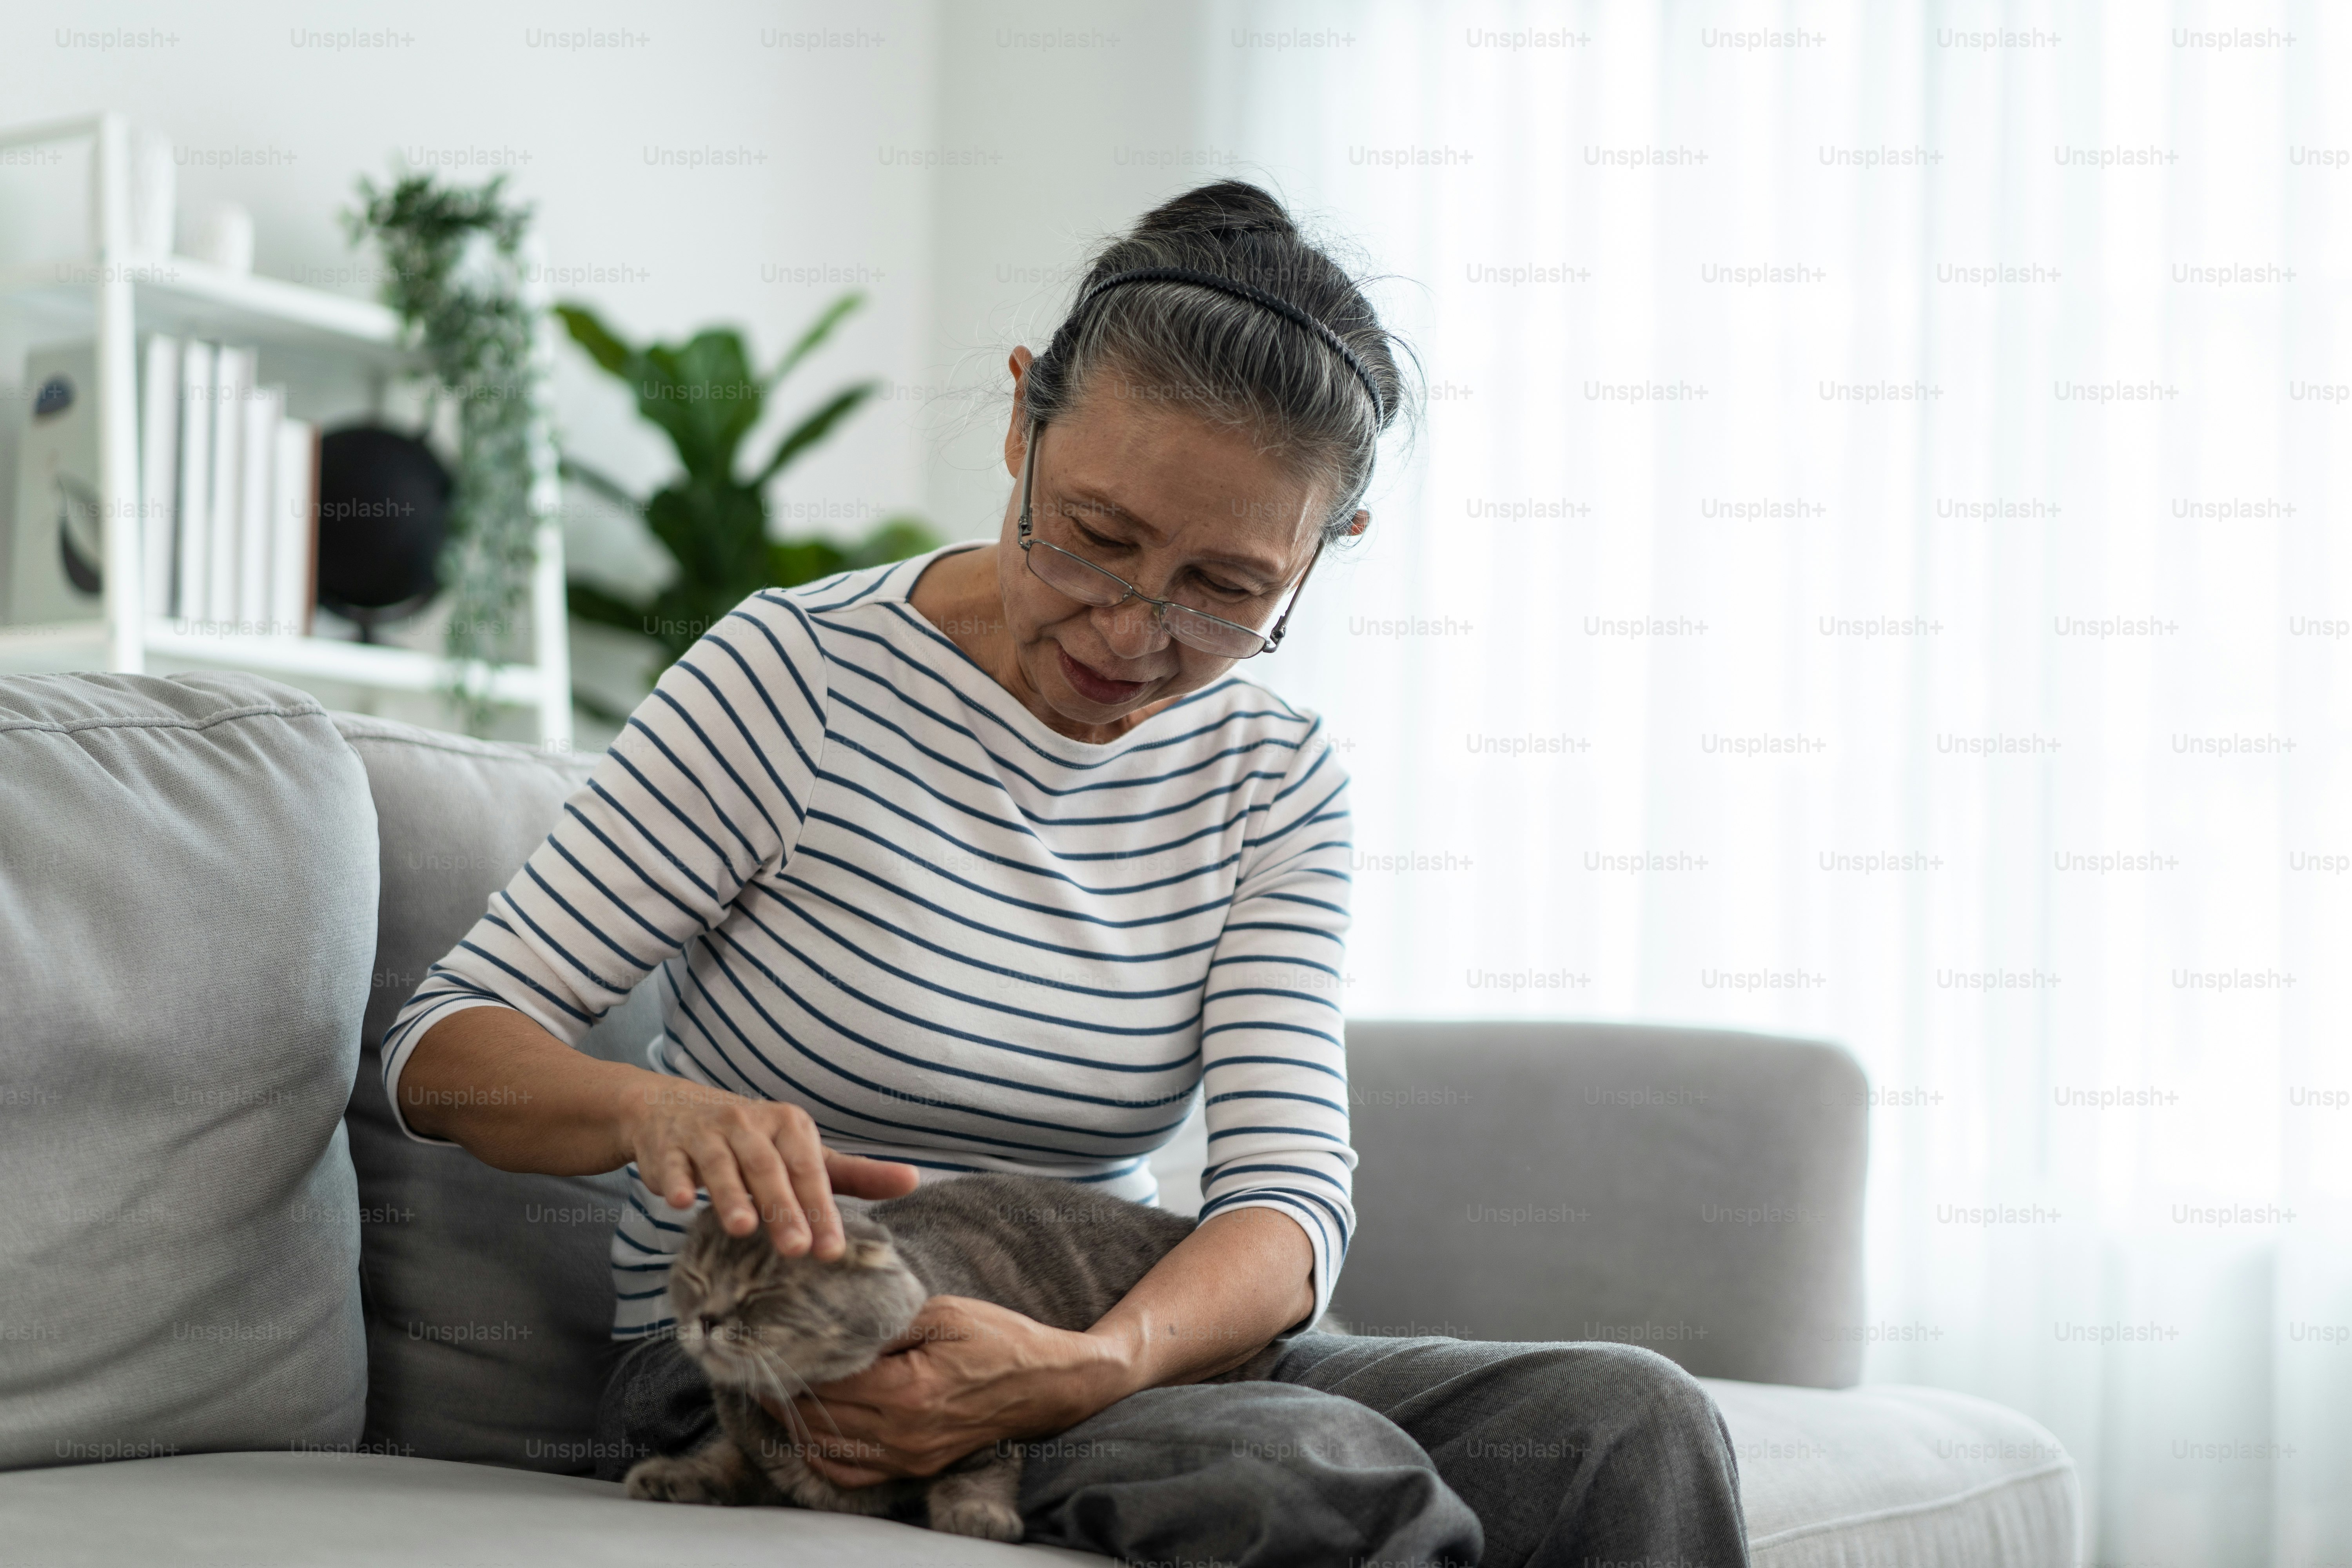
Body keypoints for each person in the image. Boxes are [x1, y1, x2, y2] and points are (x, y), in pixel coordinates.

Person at [383, 180, 1749, 1568]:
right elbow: (441, 1056)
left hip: (1114, 1348)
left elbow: (1286, 1211)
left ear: (1325, 555)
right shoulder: (794, 681)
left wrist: (1094, 1364)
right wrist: (651, 1107)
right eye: (1095, 536)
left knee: (1626, 1420)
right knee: (1301, 1476)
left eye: (1226, 591)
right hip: (789, 1354)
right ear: (1022, 417)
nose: (1131, 631)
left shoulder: (1273, 775)